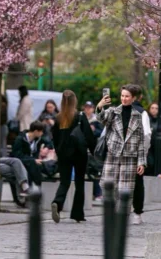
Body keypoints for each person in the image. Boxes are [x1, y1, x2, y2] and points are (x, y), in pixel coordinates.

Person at [51, 90, 96, 223]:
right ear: (74, 101)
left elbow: (55, 138)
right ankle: (77, 213)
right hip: (79, 153)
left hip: (63, 154)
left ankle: (57, 203)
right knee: (79, 182)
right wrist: (95, 152)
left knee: (64, 182)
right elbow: (88, 136)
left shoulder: (58, 118)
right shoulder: (80, 116)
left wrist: (58, 152)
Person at [95, 86, 147, 201]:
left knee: (125, 192)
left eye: (127, 96)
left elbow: (141, 140)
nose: (124, 98)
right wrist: (100, 105)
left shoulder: (138, 116)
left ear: (133, 98)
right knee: (109, 189)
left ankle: (123, 217)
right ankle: (110, 217)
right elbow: (100, 118)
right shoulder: (113, 112)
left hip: (130, 157)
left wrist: (141, 162)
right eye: (122, 96)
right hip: (112, 155)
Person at [126, 84, 152, 225]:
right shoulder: (142, 113)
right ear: (139, 97)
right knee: (137, 183)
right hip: (136, 151)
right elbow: (147, 134)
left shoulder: (117, 111)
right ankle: (137, 213)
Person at [12, 121, 48, 186]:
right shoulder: (20, 139)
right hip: (22, 163)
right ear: (36, 131)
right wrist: (33, 160)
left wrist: (46, 148)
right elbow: (17, 156)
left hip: (32, 163)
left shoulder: (37, 139)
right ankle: (36, 188)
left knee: (43, 165)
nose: (42, 133)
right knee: (34, 166)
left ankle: (36, 188)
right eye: (41, 131)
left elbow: (49, 142)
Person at [84, 101, 105, 201]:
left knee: (95, 170)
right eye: (86, 107)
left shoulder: (97, 120)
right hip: (83, 149)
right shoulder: (81, 118)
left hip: (93, 150)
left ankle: (97, 193)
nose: (88, 109)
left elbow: (101, 133)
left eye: (90, 107)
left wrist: (93, 131)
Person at [147, 101, 161, 177]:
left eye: (156, 108)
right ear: (149, 109)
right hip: (149, 146)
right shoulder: (146, 119)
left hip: (158, 147)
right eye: (152, 108)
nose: (154, 110)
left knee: (157, 164)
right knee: (150, 163)